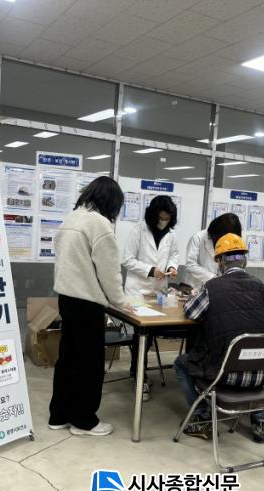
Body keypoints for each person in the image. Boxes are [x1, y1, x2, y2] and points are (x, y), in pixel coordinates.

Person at [49, 177, 130, 437]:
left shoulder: (71, 218)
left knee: (68, 359)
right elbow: (109, 272)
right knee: (89, 364)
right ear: (111, 202)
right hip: (87, 302)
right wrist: (121, 302)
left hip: (66, 298)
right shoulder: (99, 224)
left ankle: (59, 415)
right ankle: (84, 421)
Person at [174, 234, 264, 443]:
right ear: (244, 260)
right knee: (255, 358)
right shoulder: (260, 286)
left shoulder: (212, 287)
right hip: (260, 375)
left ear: (219, 261)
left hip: (223, 375)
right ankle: (261, 422)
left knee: (182, 363)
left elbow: (191, 312)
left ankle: (203, 418)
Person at [122, 195, 179, 400]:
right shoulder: (138, 230)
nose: (163, 222)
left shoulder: (171, 234)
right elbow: (127, 260)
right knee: (142, 336)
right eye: (161, 218)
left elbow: (174, 255)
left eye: (167, 219)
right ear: (153, 215)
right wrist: (150, 270)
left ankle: (137, 371)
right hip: (137, 291)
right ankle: (140, 377)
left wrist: (172, 267)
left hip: (158, 291)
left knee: (151, 333)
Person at [183, 213, 242, 290]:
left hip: (219, 287)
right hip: (195, 287)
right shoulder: (198, 238)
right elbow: (190, 265)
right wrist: (213, 277)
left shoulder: (229, 242)